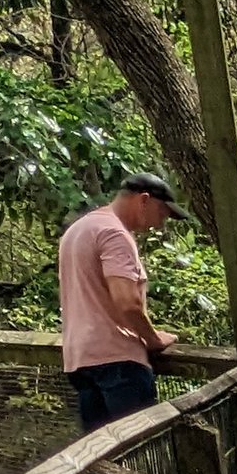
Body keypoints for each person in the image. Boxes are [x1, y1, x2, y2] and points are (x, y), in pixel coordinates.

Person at [57, 171, 180, 430]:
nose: (160, 225)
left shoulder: (78, 229)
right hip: (118, 363)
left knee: (100, 455)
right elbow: (127, 303)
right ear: (143, 200)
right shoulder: (115, 234)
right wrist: (153, 339)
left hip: (79, 359)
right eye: (162, 214)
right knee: (137, 450)